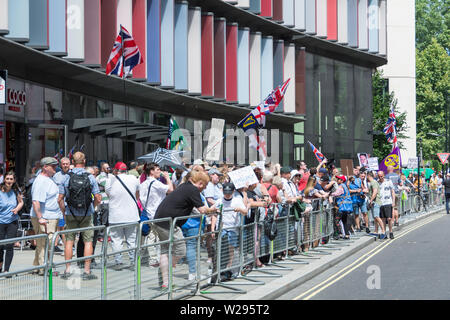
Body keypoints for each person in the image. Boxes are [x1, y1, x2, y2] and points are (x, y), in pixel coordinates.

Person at [153, 170, 218, 289]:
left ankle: (165, 282)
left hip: (161, 220)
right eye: (205, 186)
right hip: (168, 223)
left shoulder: (185, 186)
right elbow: (203, 210)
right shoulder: (193, 190)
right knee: (180, 250)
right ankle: (166, 271)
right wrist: (214, 208)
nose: (204, 189)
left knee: (165, 251)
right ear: (200, 183)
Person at [58, 152, 101, 280]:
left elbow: (60, 198)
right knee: (88, 242)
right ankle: (87, 271)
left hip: (70, 213)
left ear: (72, 161)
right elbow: (98, 197)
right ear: (84, 161)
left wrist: (64, 210)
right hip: (87, 214)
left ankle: (67, 270)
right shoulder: (91, 177)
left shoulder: (66, 177)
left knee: (69, 241)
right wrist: (92, 206)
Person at [105, 162, 140, 270]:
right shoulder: (134, 179)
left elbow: (108, 194)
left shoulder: (110, 180)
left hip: (116, 216)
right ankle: (133, 261)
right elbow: (137, 195)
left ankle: (118, 262)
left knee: (116, 240)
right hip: (132, 215)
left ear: (116, 170)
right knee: (132, 240)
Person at [31, 157, 63, 275]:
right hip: (45, 216)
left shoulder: (48, 179)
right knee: (45, 244)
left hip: (51, 216)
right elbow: (36, 201)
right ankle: (44, 268)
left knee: (43, 243)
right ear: (45, 167)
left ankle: (37, 266)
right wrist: (40, 217)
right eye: (53, 165)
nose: (55, 167)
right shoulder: (41, 181)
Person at [139, 163, 173, 266]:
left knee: (151, 236)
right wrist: (167, 178)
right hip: (156, 213)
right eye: (157, 169)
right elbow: (170, 190)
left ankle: (151, 258)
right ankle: (155, 259)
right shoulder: (155, 183)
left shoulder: (143, 183)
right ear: (151, 171)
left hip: (147, 211)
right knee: (156, 237)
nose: (159, 171)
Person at [216, 182, 248, 280]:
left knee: (230, 246)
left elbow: (245, 212)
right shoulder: (219, 200)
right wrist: (215, 210)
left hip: (233, 228)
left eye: (229, 192)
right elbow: (212, 209)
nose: (227, 194)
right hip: (222, 227)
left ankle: (229, 266)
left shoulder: (237, 200)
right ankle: (220, 268)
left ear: (233, 191)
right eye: (225, 192)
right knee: (221, 247)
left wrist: (239, 209)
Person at [0, 172, 23, 276]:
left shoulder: (15, 191)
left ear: (14, 181)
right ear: (4, 179)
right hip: (0, 221)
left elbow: (21, 202)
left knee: (9, 245)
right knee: (0, 246)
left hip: (12, 221)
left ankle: (7, 270)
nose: (9, 181)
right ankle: (0, 266)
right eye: (7, 179)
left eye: (11, 179)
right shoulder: (0, 191)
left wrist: (16, 209)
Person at [52, 157, 71, 254]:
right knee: (62, 227)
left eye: (67, 163)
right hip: (59, 205)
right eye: (63, 164)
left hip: (71, 205)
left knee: (70, 228)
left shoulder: (73, 174)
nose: (65, 165)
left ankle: (71, 248)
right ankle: (66, 248)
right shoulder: (56, 176)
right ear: (61, 165)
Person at [331, 175, 353, 239]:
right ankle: (347, 234)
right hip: (346, 207)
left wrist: (330, 194)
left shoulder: (341, 186)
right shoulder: (345, 186)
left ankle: (339, 234)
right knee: (344, 221)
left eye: (338, 179)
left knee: (336, 221)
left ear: (341, 180)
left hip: (341, 207)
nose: (337, 180)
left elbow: (337, 193)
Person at [377, 171, 396, 239]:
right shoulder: (377, 183)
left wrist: (393, 201)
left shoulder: (388, 181)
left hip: (388, 202)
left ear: (383, 175)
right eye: (379, 176)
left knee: (389, 218)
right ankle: (384, 232)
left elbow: (392, 191)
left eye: (381, 176)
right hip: (381, 202)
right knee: (383, 219)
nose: (380, 178)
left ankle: (391, 232)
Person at [96, 162, 111, 242]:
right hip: (103, 201)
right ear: (102, 168)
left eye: (109, 167)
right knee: (103, 219)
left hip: (107, 200)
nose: (109, 169)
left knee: (106, 218)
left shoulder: (108, 176)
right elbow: (107, 186)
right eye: (107, 168)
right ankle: (101, 235)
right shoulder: (101, 177)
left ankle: (106, 234)